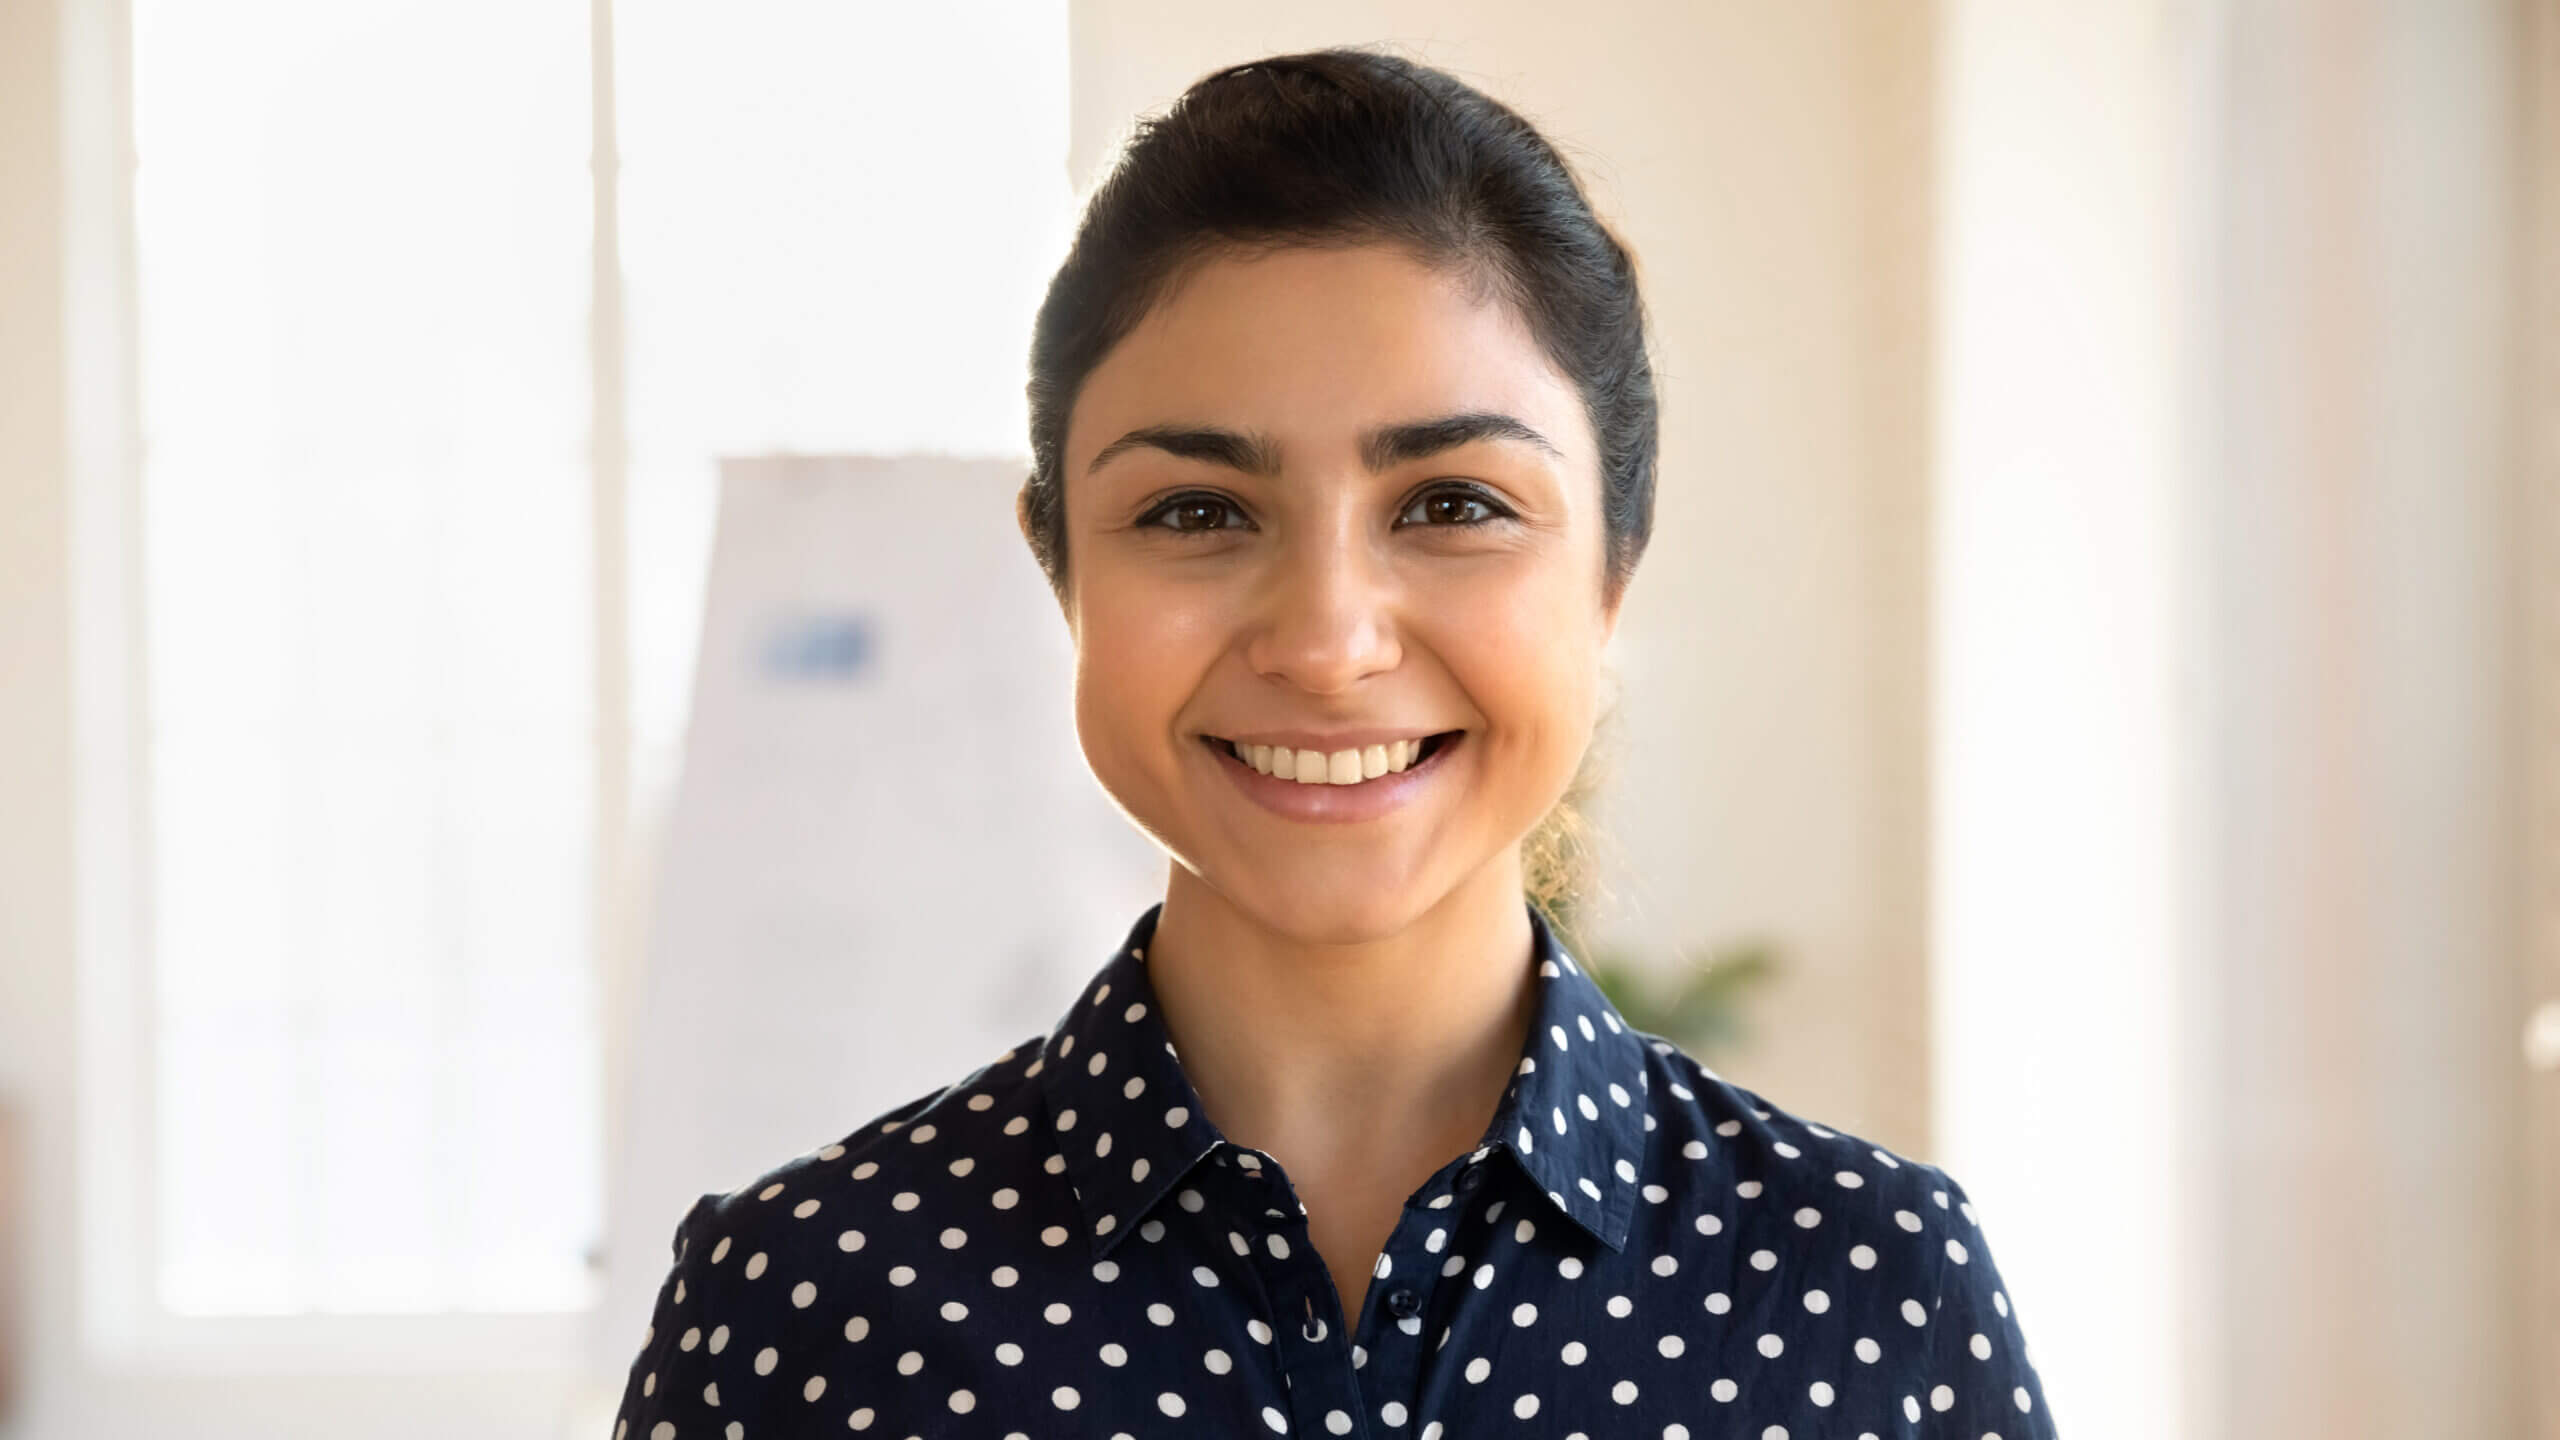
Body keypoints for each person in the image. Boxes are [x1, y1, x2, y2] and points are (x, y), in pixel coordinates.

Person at [610, 45, 2056, 1440]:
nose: (1326, 640)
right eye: (1196, 512)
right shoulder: (798, 1321)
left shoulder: (1877, 1300)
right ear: (1061, 569)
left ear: (1617, 562)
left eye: (1451, 504)